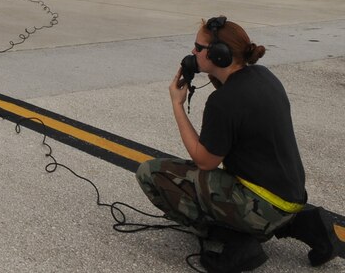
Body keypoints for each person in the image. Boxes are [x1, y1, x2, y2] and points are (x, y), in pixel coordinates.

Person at [136, 16, 338, 272]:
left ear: (219, 55)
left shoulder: (223, 101)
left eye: (198, 47)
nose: (192, 51)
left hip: (264, 204)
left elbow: (205, 161)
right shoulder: (263, 76)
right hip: (291, 197)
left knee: (150, 174)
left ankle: (234, 240)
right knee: (229, 184)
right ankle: (307, 226)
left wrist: (177, 104)